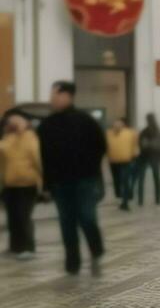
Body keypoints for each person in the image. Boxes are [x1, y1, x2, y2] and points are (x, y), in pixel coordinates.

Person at [37, 81, 106, 275]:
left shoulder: (86, 121)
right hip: (60, 182)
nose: (51, 98)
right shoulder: (47, 125)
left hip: (85, 180)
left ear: (67, 95)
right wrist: (46, 185)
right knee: (66, 222)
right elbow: (44, 157)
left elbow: (101, 147)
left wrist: (92, 171)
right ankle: (72, 262)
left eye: (54, 94)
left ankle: (96, 250)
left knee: (86, 217)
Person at [0, 111, 42, 260]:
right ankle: (15, 246)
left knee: (24, 216)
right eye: (11, 123)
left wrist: (42, 182)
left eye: (17, 122)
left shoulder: (31, 138)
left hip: (27, 184)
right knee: (13, 217)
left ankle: (28, 248)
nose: (14, 125)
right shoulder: (7, 139)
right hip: (9, 185)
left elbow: (38, 161)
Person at [137, 113, 160, 206]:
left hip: (144, 157)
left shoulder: (144, 132)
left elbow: (140, 144)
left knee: (141, 179)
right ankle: (158, 199)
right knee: (156, 178)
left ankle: (140, 200)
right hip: (156, 157)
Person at [106, 117, 140, 211]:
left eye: (119, 124)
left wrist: (134, 157)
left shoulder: (130, 133)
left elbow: (135, 145)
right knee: (117, 182)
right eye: (115, 124)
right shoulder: (108, 134)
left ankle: (125, 202)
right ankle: (122, 197)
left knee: (124, 181)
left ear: (123, 125)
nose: (117, 126)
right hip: (113, 162)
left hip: (126, 161)